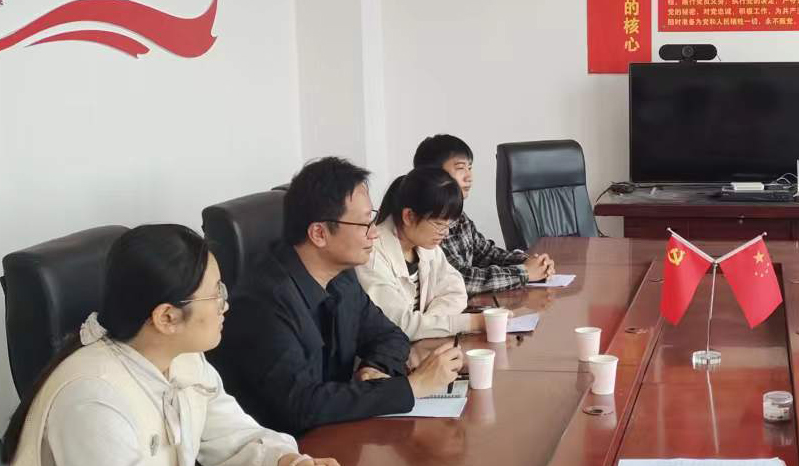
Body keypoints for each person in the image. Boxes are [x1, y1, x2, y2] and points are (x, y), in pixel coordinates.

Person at [1, 224, 337, 466]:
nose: (225, 305)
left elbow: (234, 439)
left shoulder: (184, 360)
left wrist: (288, 461)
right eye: (215, 294)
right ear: (166, 318)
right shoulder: (93, 400)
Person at [212, 157, 463, 436]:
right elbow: (299, 405)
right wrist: (413, 387)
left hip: (336, 433)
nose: (374, 234)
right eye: (365, 224)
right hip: (285, 446)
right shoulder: (262, 303)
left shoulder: (342, 278)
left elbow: (391, 336)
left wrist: (372, 369)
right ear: (319, 233)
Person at [416, 134, 555, 294]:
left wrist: (531, 262)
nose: (469, 177)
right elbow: (459, 279)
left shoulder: (459, 217)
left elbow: (486, 254)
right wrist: (523, 273)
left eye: (470, 168)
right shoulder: (427, 222)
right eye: (460, 168)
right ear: (433, 174)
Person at [356, 167, 483, 338]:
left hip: (420, 345)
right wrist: (473, 322)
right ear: (409, 216)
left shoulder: (427, 247)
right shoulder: (372, 254)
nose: (445, 233)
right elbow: (398, 325)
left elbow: (456, 292)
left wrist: (425, 325)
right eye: (439, 224)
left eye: (449, 224)